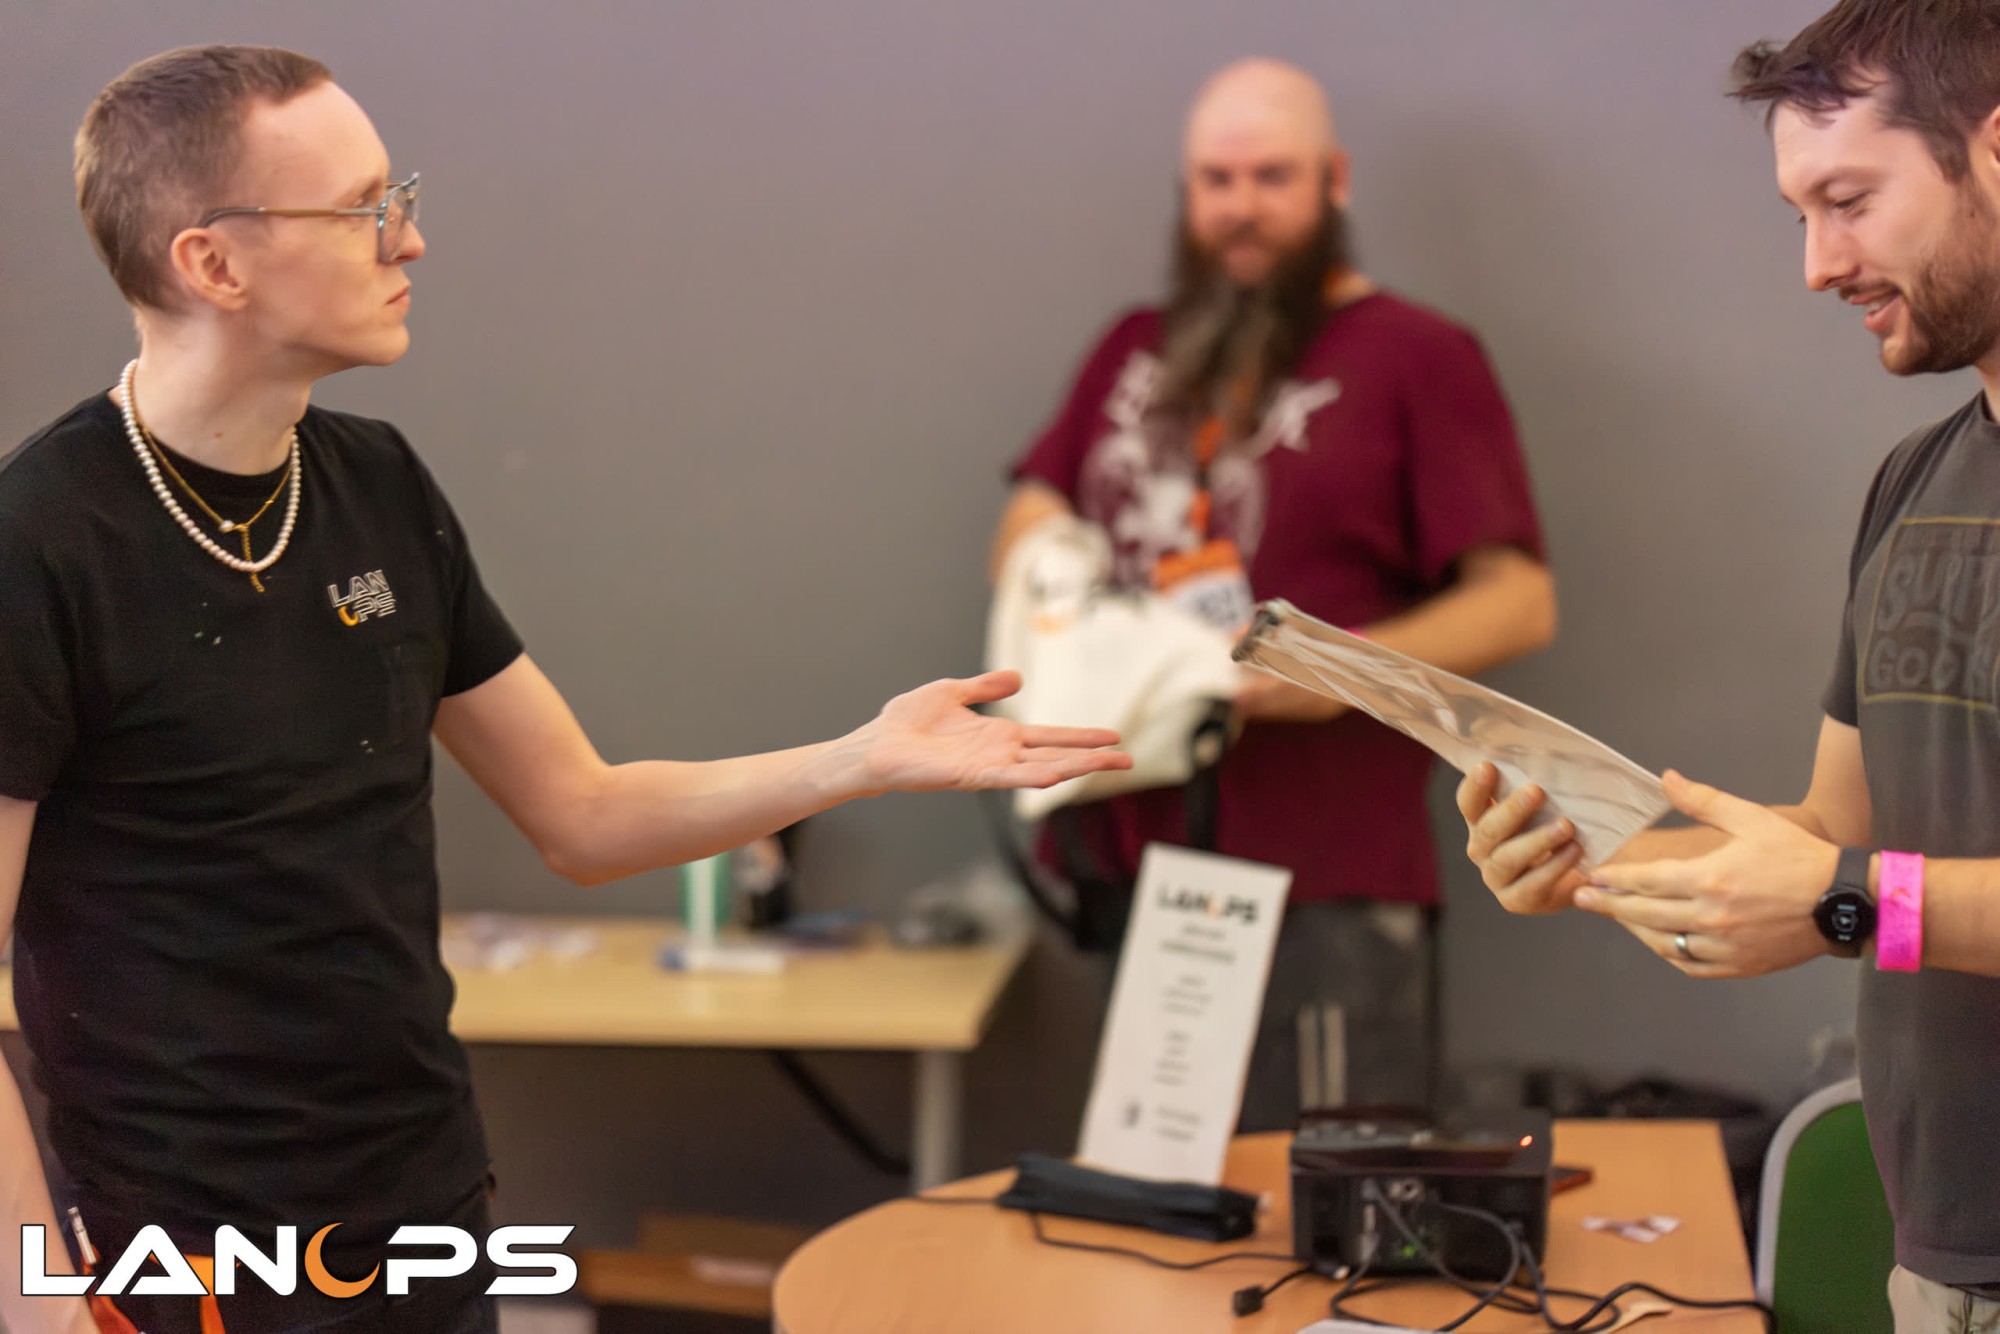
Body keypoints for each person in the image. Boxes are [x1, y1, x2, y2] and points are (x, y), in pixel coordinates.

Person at [0, 45, 1129, 1334]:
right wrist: (39, 1309)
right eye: (362, 208)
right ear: (214, 263)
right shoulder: (40, 542)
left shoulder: (380, 485)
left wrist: (859, 758)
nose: (409, 239)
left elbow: (584, 813)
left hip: (420, 1211)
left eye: (398, 197)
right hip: (174, 1255)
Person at [1457, 1, 2000, 1325]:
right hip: (1941, 1261)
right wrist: (1597, 860)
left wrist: (1846, 903)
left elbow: (1847, 890)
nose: (1818, 265)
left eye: (1849, 201)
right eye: (1799, 215)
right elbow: (1829, 838)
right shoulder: (1913, 485)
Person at [990, 58, 1555, 1127]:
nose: (1239, 208)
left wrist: (1335, 677)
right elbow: (1032, 509)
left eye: (1271, 177)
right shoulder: (1133, 346)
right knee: (1153, 1189)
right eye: (1216, 181)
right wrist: (1055, 576)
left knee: (1323, 1191)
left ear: (1333, 181)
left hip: (1326, 880)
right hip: (1126, 861)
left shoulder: (1418, 355)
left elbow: (1518, 600)